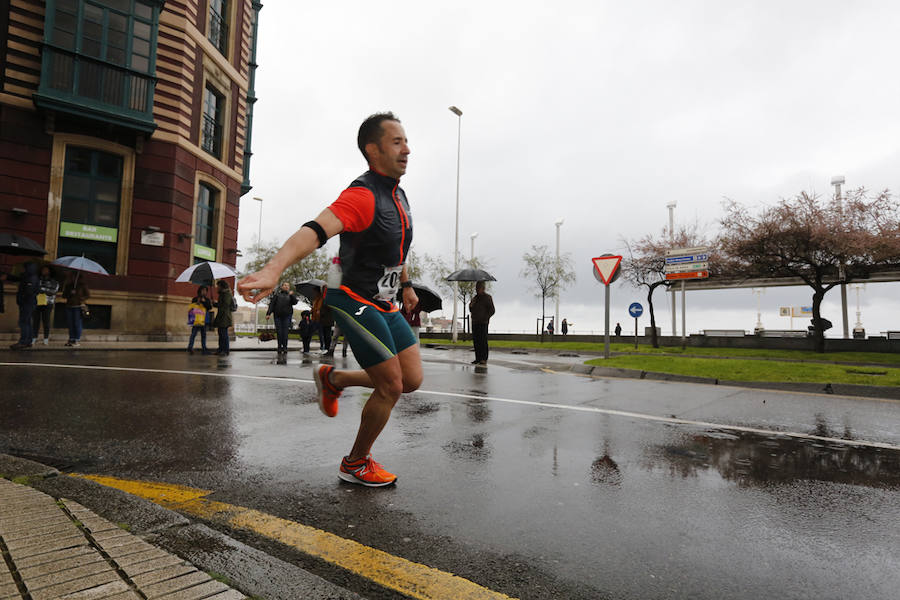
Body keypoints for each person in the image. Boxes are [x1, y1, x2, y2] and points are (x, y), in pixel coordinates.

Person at [237, 111, 421, 487]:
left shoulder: (398, 195)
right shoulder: (362, 195)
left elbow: (396, 250)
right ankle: (355, 463)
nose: (407, 150)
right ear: (373, 150)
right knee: (391, 386)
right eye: (397, 142)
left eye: (406, 141)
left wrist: (405, 284)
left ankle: (333, 379)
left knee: (412, 379)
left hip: (384, 302)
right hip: (351, 298)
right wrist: (274, 269)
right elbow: (316, 230)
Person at [9, 261, 39, 349]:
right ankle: (28, 340)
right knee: (27, 322)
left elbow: (28, 291)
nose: (22, 269)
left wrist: (21, 299)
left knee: (24, 322)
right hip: (29, 302)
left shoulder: (31, 278)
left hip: (27, 303)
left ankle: (24, 341)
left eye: (24, 267)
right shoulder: (28, 277)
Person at [266, 282, 298, 354]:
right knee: (279, 332)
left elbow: (295, 302)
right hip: (278, 316)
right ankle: (279, 347)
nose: (286, 287)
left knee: (285, 332)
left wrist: (292, 295)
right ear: (282, 287)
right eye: (285, 285)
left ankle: (285, 347)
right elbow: (272, 305)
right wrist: (268, 313)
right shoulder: (277, 295)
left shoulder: (290, 295)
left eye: (288, 286)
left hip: (287, 316)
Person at [31, 265, 59, 345]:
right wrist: (42, 289)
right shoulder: (38, 279)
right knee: (35, 321)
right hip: (37, 302)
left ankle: (46, 338)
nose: (44, 271)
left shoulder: (53, 281)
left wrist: (42, 289)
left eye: (46, 270)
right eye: (43, 269)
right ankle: (34, 337)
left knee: (46, 321)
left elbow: (53, 291)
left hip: (48, 303)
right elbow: (34, 288)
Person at [469, 281, 495, 365]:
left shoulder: (488, 298)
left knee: (483, 341)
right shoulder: (475, 298)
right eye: (476, 288)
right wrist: (471, 305)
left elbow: (492, 310)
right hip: (475, 322)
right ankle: (478, 358)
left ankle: (484, 358)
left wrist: (485, 317)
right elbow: (471, 309)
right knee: (476, 341)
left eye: (478, 288)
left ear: (483, 288)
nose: (477, 289)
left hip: (483, 323)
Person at [61, 273, 89, 347]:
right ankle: (71, 338)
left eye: (74, 277)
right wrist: (70, 293)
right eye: (72, 277)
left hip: (78, 306)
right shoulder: (69, 286)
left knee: (77, 323)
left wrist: (79, 297)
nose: (72, 278)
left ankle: (77, 339)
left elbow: (87, 295)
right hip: (69, 306)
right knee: (70, 323)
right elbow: (63, 295)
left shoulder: (83, 286)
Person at [187, 285, 212, 355]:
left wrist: (204, 302)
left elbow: (209, 307)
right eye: (203, 290)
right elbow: (192, 307)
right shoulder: (195, 298)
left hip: (203, 320)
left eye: (205, 290)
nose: (204, 292)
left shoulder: (207, 300)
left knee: (203, 335)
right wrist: (197, 302)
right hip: (196, 319)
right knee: (193, 334)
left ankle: (204, 348)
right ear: (199, 291)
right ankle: (190, 347)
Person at [213, 279, 235, 355]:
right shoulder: (223, 294)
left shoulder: (226, 294)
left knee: (224, 334)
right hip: (222, 316)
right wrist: (215, 304)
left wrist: (217, 304)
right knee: (221, 333)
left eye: (218, 286)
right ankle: (220, 349)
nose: (217, 287)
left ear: (221, 286)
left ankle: (225, 350)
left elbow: (225, 305)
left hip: (225, 317)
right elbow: (221, 305)